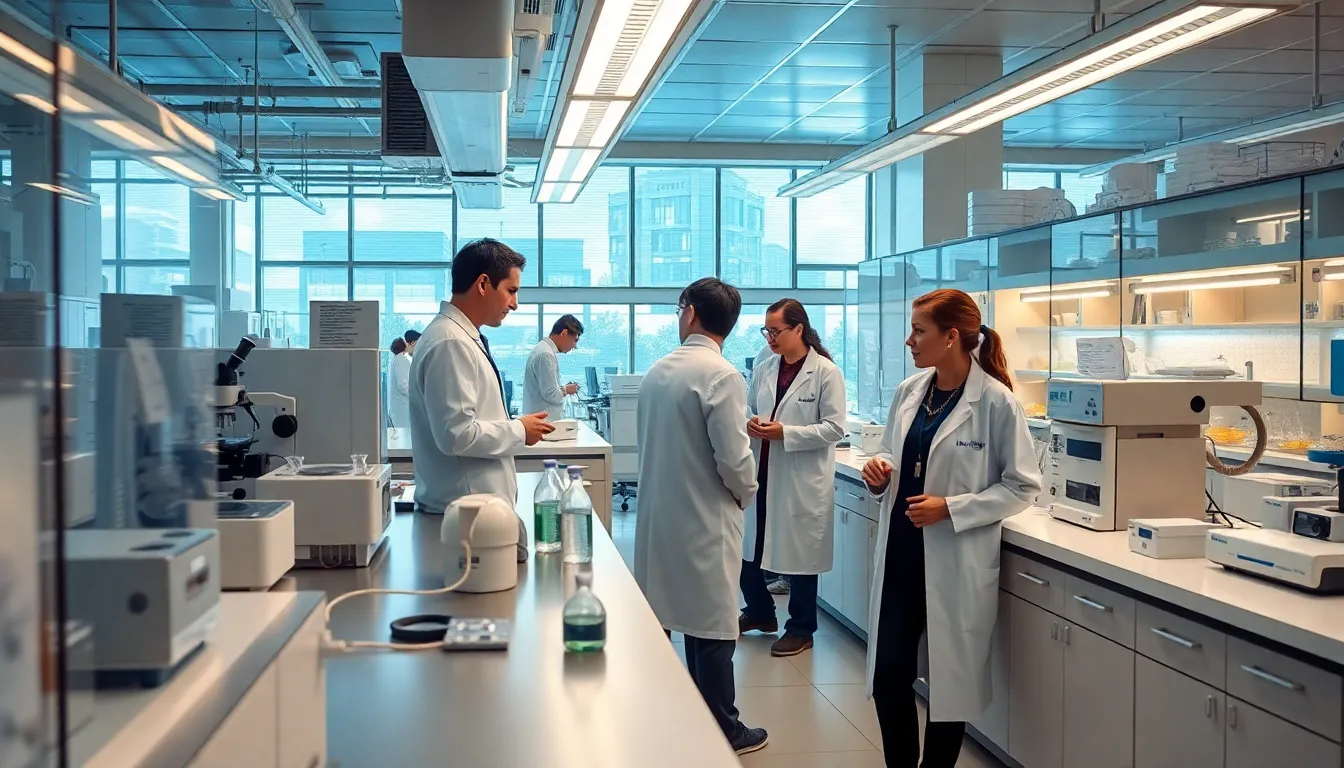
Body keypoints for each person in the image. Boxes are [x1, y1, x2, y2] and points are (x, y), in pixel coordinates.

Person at [859, 288, 1041, 768]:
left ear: (951, 336)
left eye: (919, 331)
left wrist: (952, 508)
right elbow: (892, 452)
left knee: (949, 686)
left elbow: (1023, 486)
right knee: (888, 677)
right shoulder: (910, 391)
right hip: (901, 556)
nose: (909, 341)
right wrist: (879, 473)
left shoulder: (996, 402)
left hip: (955, 559)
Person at [633, 278, 768, 756]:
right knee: (711, 623)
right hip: (705, 515)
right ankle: (724, 729)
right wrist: (746, 493)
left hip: (661, 515)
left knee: (672, 615)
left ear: (690, 313)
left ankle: (666, 717)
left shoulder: (658, 371)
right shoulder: (722, 375)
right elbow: (734, 459)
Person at [409, 238, 554, 560]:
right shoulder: (450, 342)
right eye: (511, 291)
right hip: (468, 520)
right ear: (484, 284)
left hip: (476, 515)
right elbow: (456, 434)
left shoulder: (458, 336)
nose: (514, 304)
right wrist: (519, 430)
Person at [738, 299, 847, 657]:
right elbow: (749, 408)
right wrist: (749, 422)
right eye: (766, 331)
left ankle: (801, 629)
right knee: (749, 548)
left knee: (802, 556)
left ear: (799, 329)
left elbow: (834, 428)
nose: (770, 338)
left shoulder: (826, 372)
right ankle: (759, 612)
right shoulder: (764, 368)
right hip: (762, 471)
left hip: (801, 478)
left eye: (776, 331)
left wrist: (786, 433)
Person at [523, 315, 583, 420]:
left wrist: (563, 388)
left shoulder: (543, 349)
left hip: (541, 420)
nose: (575, 346)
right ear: (564, 333)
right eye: (575, 340)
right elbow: (551, 395)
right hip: (544, 422)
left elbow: (547, 389)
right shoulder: (546, 354)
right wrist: (566, 390)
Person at [386, 330, 420, 428]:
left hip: (399, 407)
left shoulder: (395, 360)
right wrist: (417, 395)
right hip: (403, 407)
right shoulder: (401, 360)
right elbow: (403, 385)